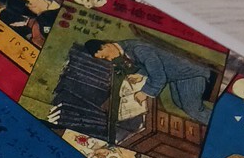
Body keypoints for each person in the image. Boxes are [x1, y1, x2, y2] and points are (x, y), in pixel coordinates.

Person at [81, 37, 215, 124]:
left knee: (193, 109)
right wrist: (141, 75)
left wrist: (145, 92)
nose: (110, 60)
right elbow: (149, 65)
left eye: (105, 57)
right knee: (178, 103)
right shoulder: (127, 48)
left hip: (191, 74)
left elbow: (159, 75)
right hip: (177, 75)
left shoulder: (138, 49)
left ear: (106, 46)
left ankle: (218, 125)